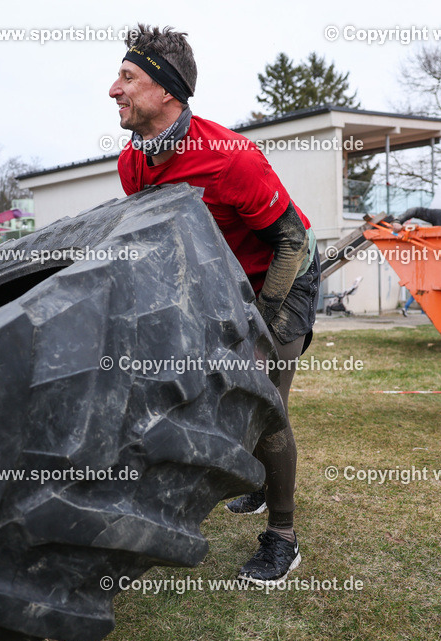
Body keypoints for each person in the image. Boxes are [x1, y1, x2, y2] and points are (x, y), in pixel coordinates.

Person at [110, 24, 320, 586]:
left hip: (285, 272)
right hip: (224, 280)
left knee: (261, 401)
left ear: (167, 91)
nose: (113, 89)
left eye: (128, 77)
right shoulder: (134, 162)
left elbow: (291, 243)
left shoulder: (230, 157)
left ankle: (283, 537)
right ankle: (255, 478)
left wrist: (261, 323)